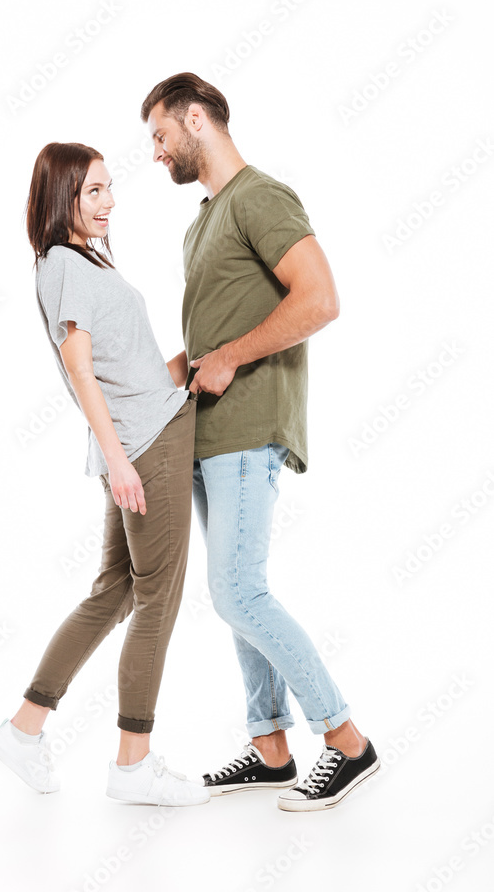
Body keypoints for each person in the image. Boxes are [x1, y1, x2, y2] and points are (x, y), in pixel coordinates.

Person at [140, 73, 380, 811]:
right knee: (233, 594)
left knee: (236, 590)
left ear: (195, 118)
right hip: (206, 434)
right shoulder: (201, 222)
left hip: (248, 427)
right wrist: (153, 376)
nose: (154, 154)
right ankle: (270, 747)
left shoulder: (260, 197)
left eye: (159, 135)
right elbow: (205, 348)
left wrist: (232, 357)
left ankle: (345, 741)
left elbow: (320, 299)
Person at [0, 142, 208, 807]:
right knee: (158, 597)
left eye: (109, 189)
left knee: (115, 590)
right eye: (92, 193)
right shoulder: (62, 264)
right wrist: (118, 462)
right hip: (146, 447)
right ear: (62, 200)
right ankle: (132, 764)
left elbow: (122, 370)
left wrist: (185, 365)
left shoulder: (79, 261)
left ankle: (24, 731)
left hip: (144, 432)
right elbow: (81, 371)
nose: (109, 202)